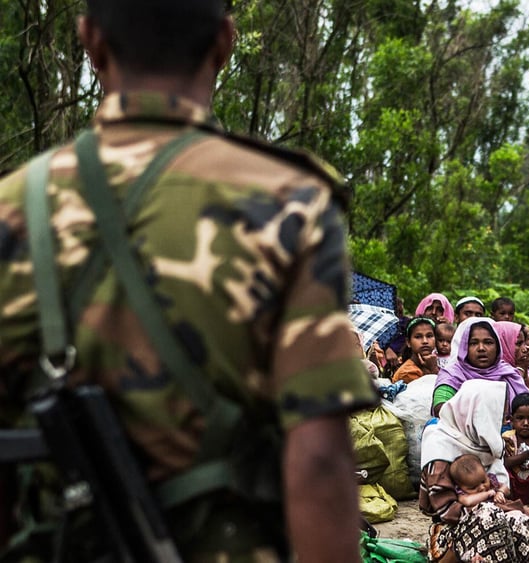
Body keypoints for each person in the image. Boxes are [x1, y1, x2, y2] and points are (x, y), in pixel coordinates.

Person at [0, 1, 379, 561]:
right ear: (225, 43)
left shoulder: (12, 209)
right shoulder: (288, 203)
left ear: (91, 41)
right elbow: (319, 456)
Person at [419, 380, 529, 563]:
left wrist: (520, 512)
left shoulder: (484, 444)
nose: (501, 422)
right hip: (447, 536)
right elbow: (449, 513)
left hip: (486, 522)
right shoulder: (440, 445)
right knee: (490, 514)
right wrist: (513, 508)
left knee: (522, 523)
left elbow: (501, 490)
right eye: (495, 416)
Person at [431, 317, 529, 417]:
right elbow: (441, 409)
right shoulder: (452, 374)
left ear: (498, 347)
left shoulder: (509, 374)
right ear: (465, 347)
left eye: (488, 342)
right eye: (473, 343)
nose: (481, 348)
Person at [392, 317, 439, 383]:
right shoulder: (407, 373)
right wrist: (433, 369)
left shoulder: (434, 362)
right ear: (408, 342)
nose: (425, 341)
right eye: (418, 337)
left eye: (429, 336)